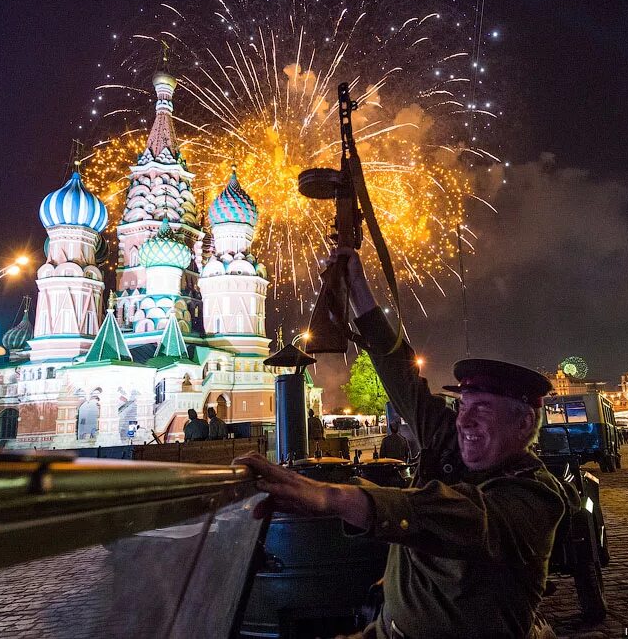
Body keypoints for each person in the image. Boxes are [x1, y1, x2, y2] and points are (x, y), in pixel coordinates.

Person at [236, 249, 565, 639]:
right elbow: (403, 379)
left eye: (484, 410)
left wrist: (333, 497)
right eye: (464, 406)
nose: (465, 420)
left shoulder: (536, 498)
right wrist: (358, 288)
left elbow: (460, 515)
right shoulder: (451, 442)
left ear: (523, 422)